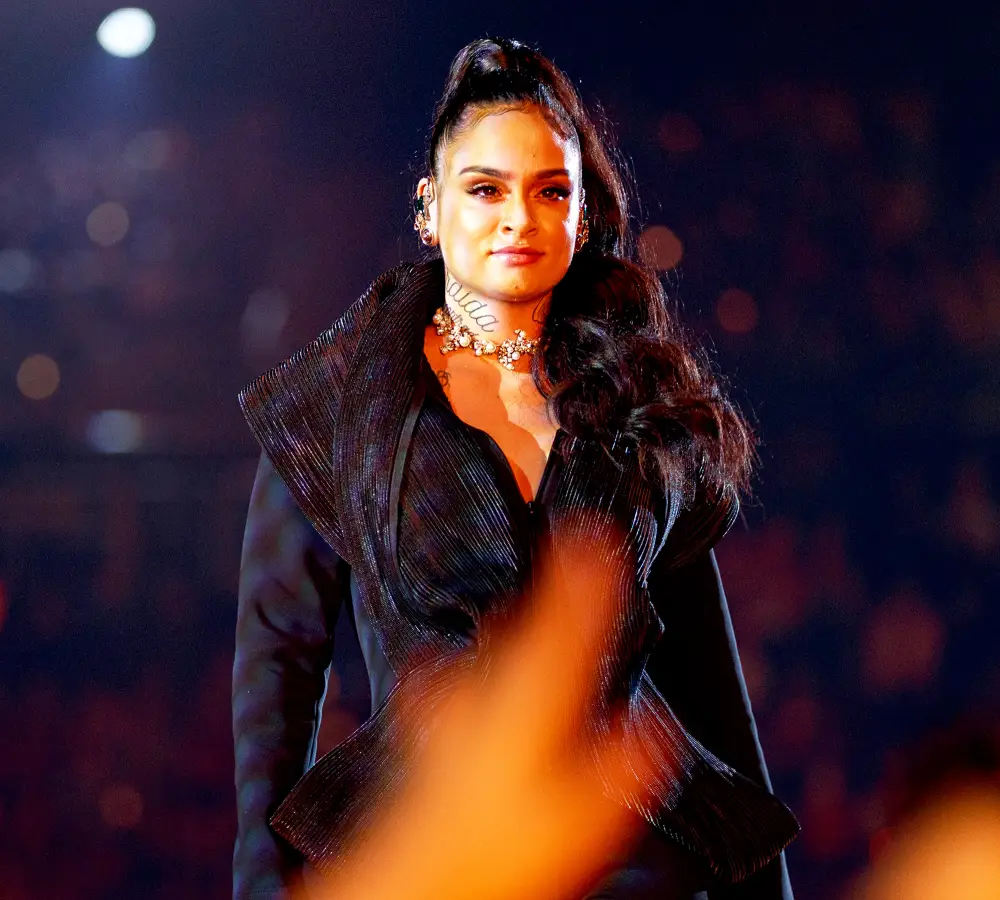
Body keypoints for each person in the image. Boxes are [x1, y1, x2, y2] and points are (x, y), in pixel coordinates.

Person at [232, 36, 799, 900]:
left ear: (582, 214)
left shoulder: (633, 407)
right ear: (430, 207)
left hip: (635, 857)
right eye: (486, 188)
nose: (519, 219)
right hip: (430, 851)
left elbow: (712, 698)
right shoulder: (336, 408)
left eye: (551, 192)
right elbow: (275, 686)